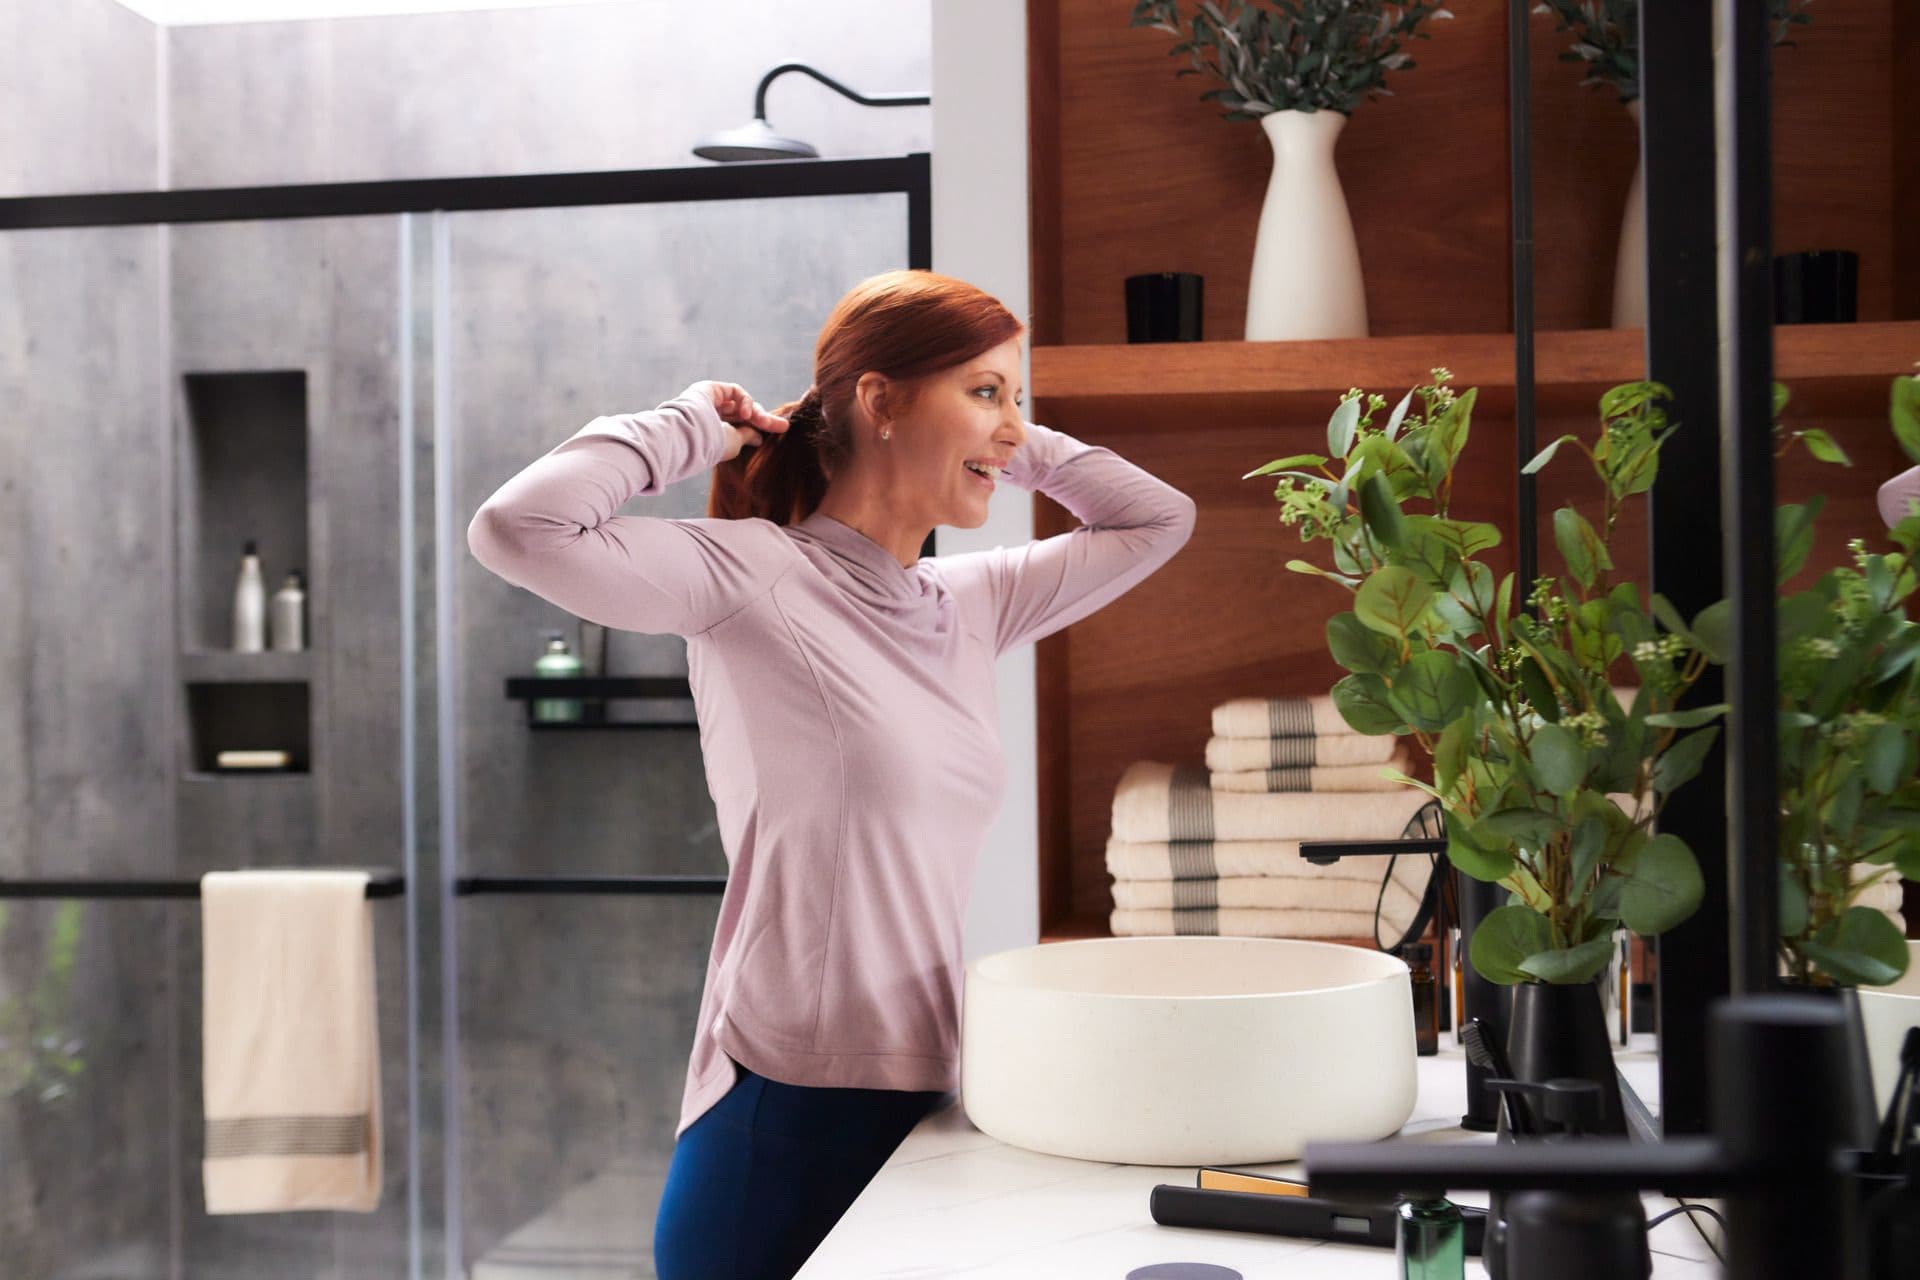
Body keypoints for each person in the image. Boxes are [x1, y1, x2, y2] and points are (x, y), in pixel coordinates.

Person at [466, 268, 1198, 1278]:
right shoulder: (755, 575)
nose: (1013, 425)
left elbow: (1158, 518)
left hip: (929, 1101)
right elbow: (517, 527)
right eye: (985, 390)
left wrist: (1012, 438)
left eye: (1017, 396)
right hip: (782, 1122)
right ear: (881, 402)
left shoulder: (964, 602)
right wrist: (692, 424)